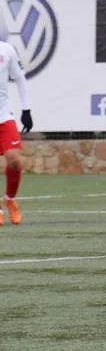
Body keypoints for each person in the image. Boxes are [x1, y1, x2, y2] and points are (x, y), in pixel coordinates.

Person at [0, 39, 32, 226]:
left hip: (4, 116)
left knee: (14, 160)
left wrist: (26, 110)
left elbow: (20, 78)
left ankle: (10, 199)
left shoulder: (7, 50)